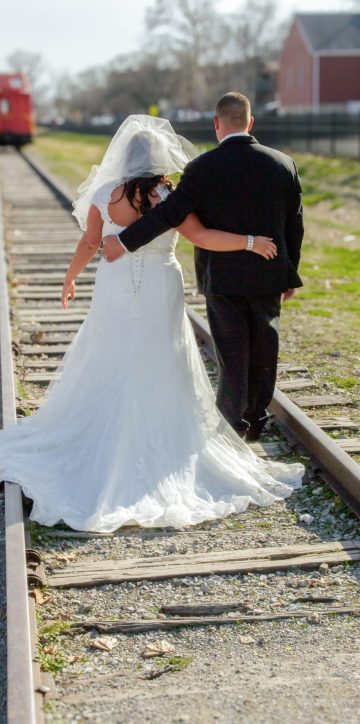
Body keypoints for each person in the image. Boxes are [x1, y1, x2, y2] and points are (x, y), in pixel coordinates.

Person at [0, 115, 303, 532]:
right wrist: (249, 242)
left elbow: (91, 242)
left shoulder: (105, 193)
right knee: (162, 356)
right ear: (160, 156)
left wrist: (70, 276)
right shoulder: (167, 195)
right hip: (161, 284)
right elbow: (203, 237)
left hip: (115, 286)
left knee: (111, 352)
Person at [103, 93, 304, 442]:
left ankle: (231, 423)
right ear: (250, 122)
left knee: (231, 350)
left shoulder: (202, 168)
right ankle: (256, 418)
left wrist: (124, 241)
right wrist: (290, 273)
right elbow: (294, 225)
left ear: (216, 123)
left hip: (222, 275)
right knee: (264, 345)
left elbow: (171, 213)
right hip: (268, 270)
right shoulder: (283, 163)